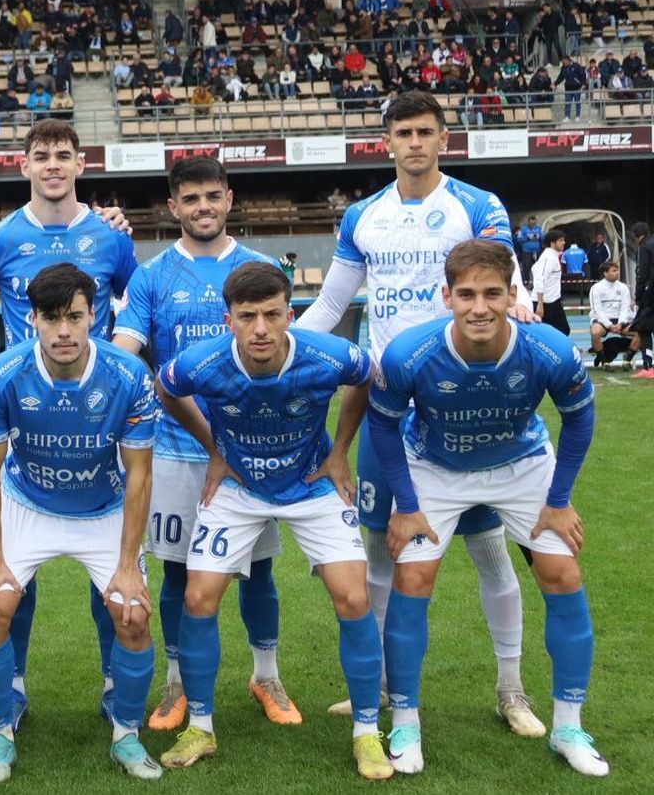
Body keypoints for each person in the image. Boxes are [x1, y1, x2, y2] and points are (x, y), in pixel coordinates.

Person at [294, 89, 542, 731]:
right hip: (386, 406)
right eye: (402, 132)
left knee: (487, 549)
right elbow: (330, 309)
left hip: (462, 401)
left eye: (425, 132)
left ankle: (511, 688)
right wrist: (280, 346)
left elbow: (500, 295)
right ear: (386, 141)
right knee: (381, 549)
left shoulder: (479, 206)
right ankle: (376, 685)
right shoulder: (363, 217)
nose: (414, 143)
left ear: (443, 138)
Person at [371, 240, 607, 778]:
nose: (480, 307)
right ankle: (406, 721)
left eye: (493, 294)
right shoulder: (410, 353)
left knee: (562, 572)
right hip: (435, 465)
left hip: (520, 462)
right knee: (413, 581)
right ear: (446, 296)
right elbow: (383, 425)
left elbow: (580, 421)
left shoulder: (548, 349)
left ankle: (569, 727)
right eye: (468, 294)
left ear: (512, 295)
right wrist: (406, 506)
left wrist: (559, 500)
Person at [154, 262, 391, 780]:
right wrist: (213, 449)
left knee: (354, 597)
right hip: (239, 487)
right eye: (247, 316)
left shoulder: (327, 355)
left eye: (271, 314)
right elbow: (165, 389)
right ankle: (200, 726)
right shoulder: (203, 363)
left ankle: (368, 733)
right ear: (228, 320)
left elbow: (367, 378)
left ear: (290, 314)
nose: (260, 328)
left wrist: (341, 450)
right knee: (198, 596)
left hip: (310, 483)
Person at [111, 158, 295, 732]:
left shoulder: (260, 267)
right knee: (175, 573)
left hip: (250, 451)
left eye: (212, 196)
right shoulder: (152, 275)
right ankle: (177, 684)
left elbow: (287, 350)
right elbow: (126, 347)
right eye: (190, 199)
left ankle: (265, 673)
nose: (203, 208)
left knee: (258, 571)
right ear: (173, 207)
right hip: (173, 448)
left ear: (230, 198)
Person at [0, 119, 139, 722]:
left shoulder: (111, 236)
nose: (53, 165)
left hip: (101, 415)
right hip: (24, 419)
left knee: (111, 574)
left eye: (64, 155)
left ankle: (119, 686)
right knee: (14, 572)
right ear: (25, 166)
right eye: (41, 156)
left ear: (80, 164)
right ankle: (8, 685)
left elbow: (134, 306)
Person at [0, 263, 163, 783]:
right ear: (31, 318)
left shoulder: (128, 376)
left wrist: (128, 565)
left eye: (74, 317)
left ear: (93, 316)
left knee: (133, 614)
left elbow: (140, 475)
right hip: (26, 503)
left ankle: (126, 732)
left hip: (102, 508)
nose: (63, 331)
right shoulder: (4, 373)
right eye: (51, 318)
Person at [587, 262, 633, 363]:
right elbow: (597, 310)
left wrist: (621, 324)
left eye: (617, 270)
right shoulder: (596, 288)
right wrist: (609, 325)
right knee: (595, 332)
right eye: (614, 271)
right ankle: (603, 360)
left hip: (620, 320)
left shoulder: (623, 287)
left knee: (640, 331)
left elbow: (625, 308)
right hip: (602, 320)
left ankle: (628, 358)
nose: (617, 273)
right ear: (605, 273)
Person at [632, 222, 654, 374]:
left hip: (650, 293)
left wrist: (637, 296)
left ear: (636, 235)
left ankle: (648, 366)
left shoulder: (644, 247)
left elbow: (642, 273)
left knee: (644, 328)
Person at [517, 215, 544, 286]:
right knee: (526, 267)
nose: (533, 224)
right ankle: (525, 283)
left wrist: (539, 237)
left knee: (538, 267)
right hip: (526, 251)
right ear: (528, 222)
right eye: (531, 222)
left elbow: (544, 237)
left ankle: (537, 283)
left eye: (534, 222)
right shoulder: (523, 229)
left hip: (537, 251)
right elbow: (519, 239)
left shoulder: (539, 228)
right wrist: (528, 238)